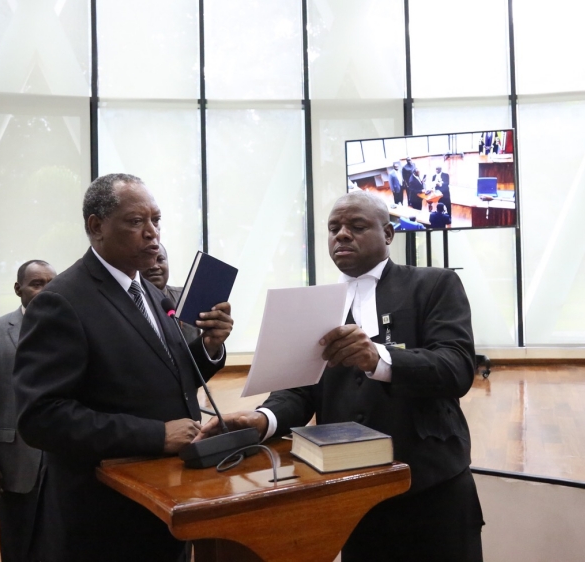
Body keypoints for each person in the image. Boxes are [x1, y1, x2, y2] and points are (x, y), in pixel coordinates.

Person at [199, 190, 483, 562]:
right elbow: (300, 392)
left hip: (432, 488)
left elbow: (456, 367)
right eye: (334, 228)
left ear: (388, 234)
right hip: (348, 490)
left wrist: (378, 358)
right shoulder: (315, 303)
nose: (342, 235)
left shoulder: (433, 285)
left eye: (356, 226)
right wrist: (262, 419)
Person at [13, 173, 234, 562]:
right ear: (96, 227)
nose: (153, 234)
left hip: (168, 499)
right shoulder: (62, 301)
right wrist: (155, 435)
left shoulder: (149, 291)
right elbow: (41, 417)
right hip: (106, 517)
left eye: (156, 220)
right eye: (136, 222)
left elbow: (170, 374)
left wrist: (211, 347)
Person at [0, 259, 57, 562]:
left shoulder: (68, 329)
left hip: (63, 458)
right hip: (15, 463)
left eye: (50, 283)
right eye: (36, 283)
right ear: (18, 289)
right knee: (18, 542)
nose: (45, 290)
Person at [143, 243, 201, 344]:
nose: (155, 266)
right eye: (147, 260)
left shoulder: (186, 297)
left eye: (160, 260)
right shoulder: (131, 301)